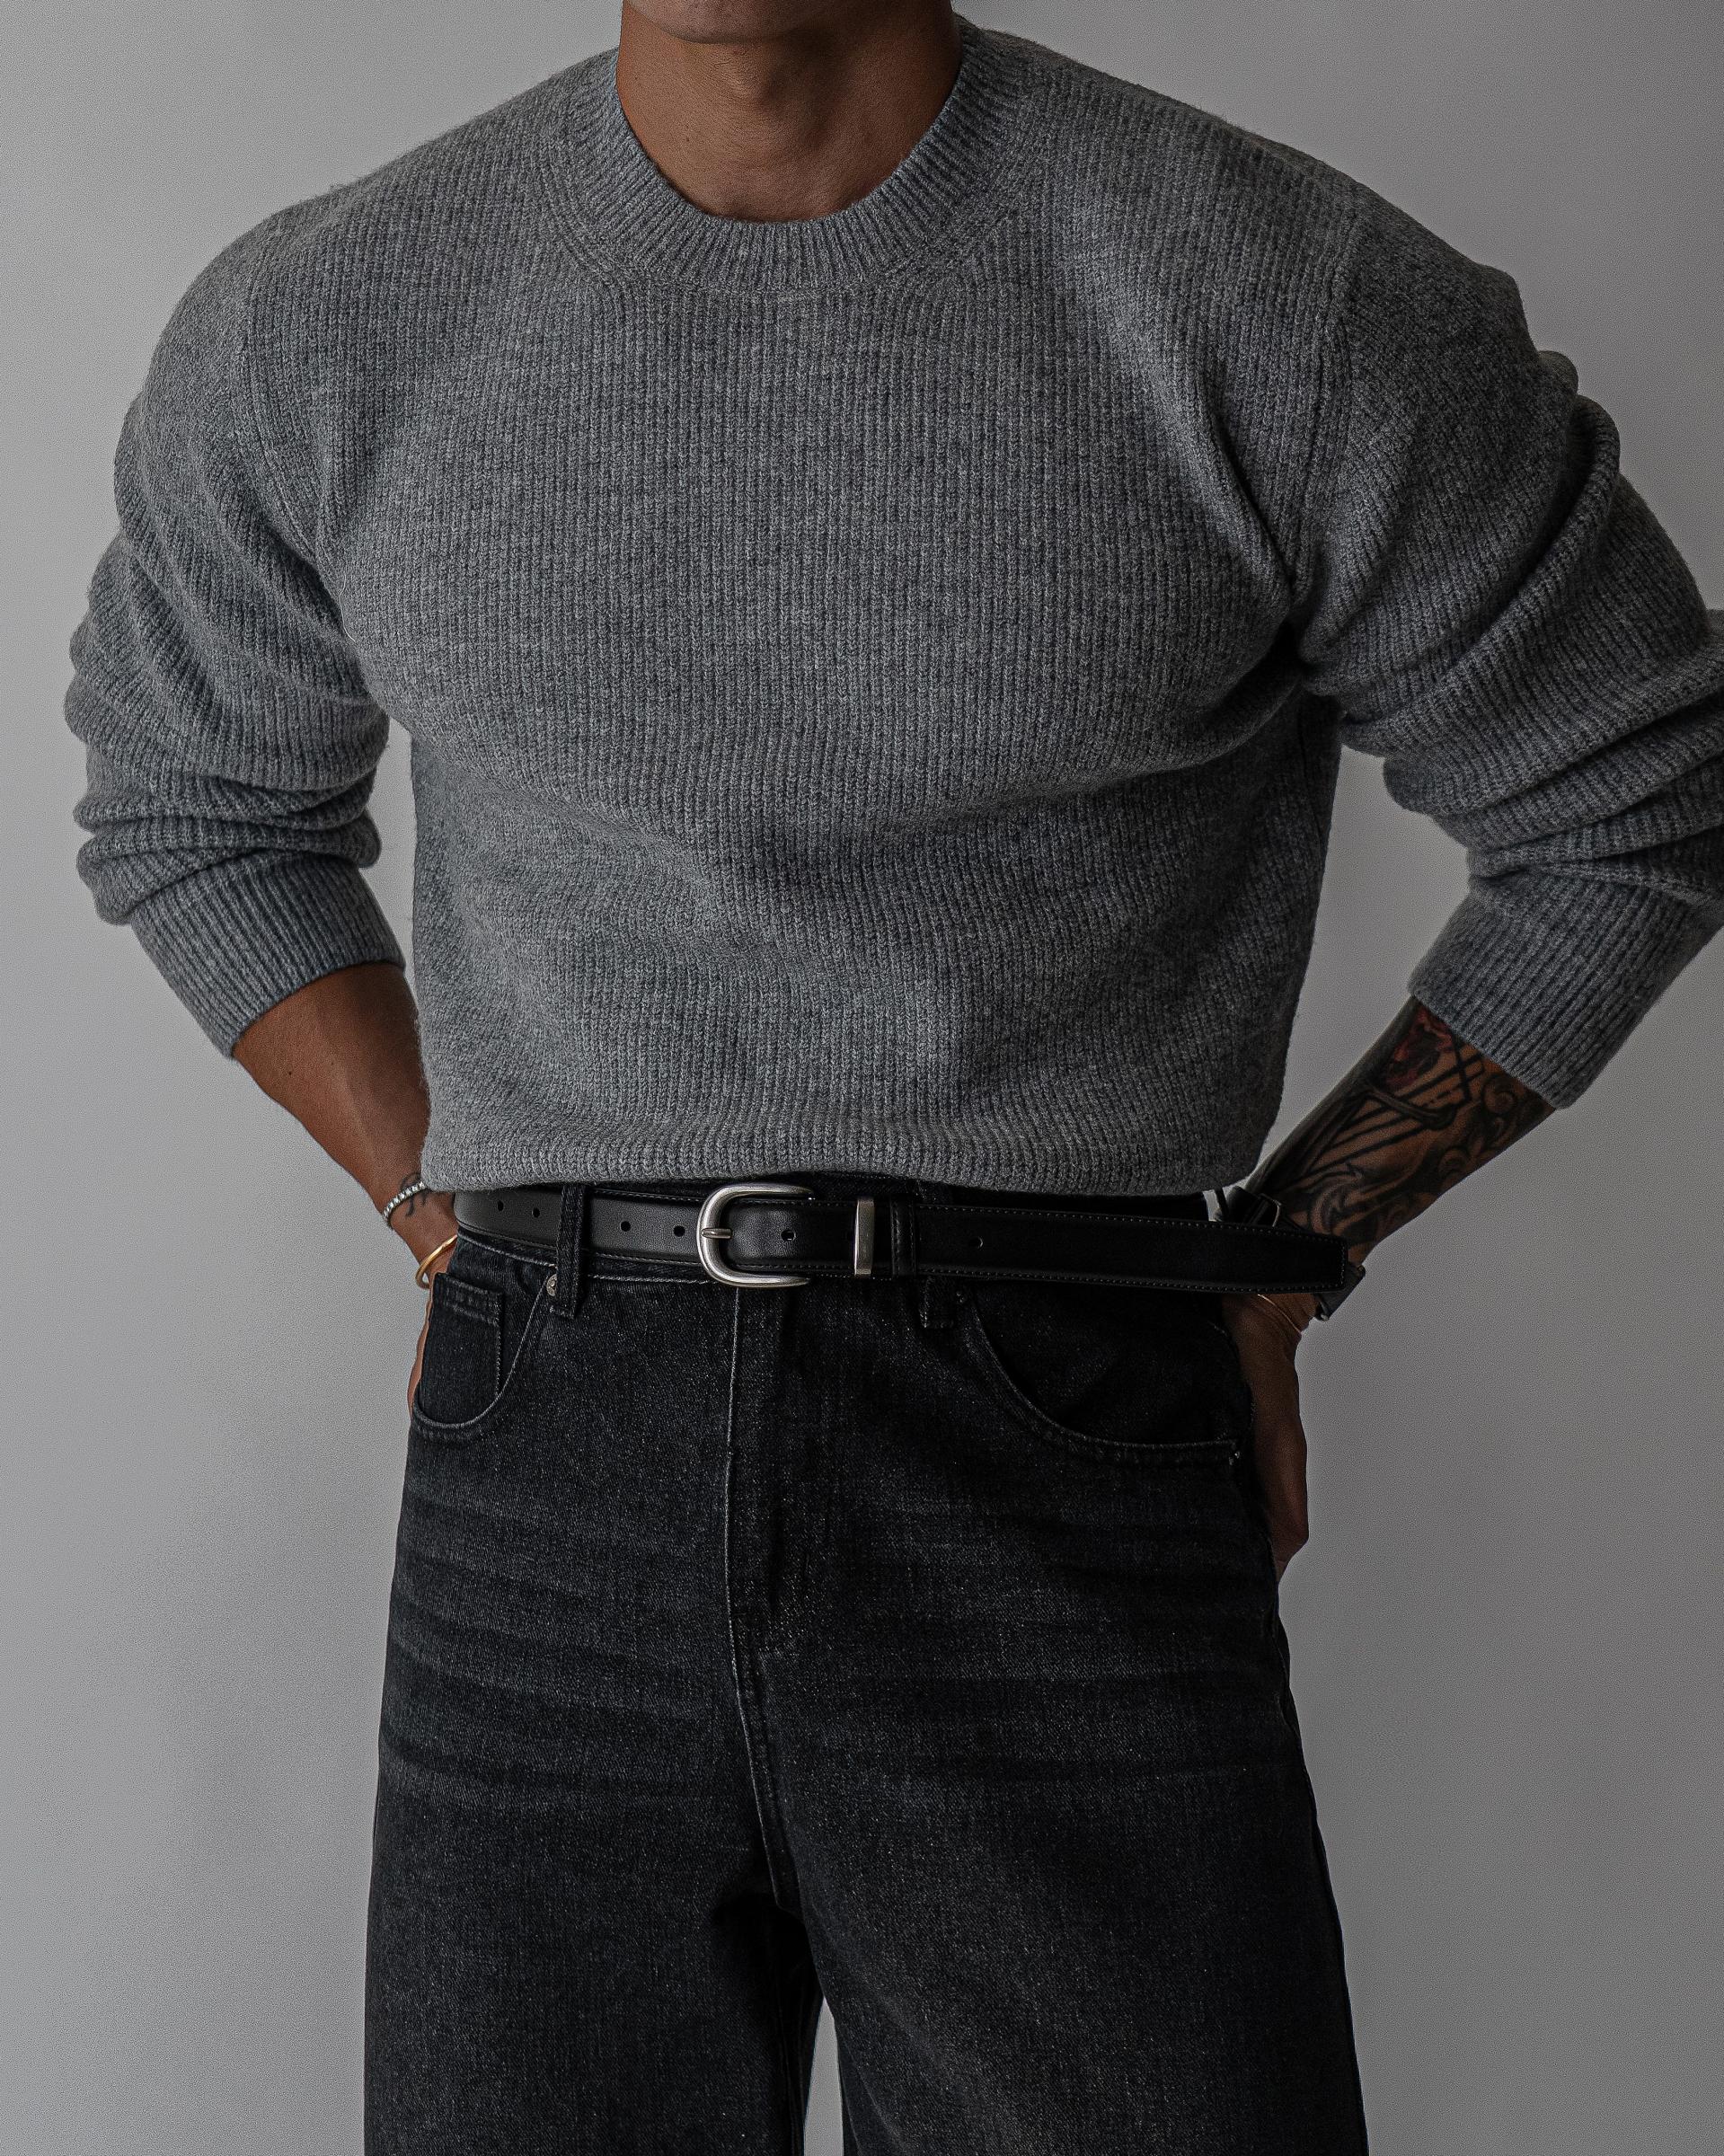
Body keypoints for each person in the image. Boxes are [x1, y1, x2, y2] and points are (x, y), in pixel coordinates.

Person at [62, 3, 1723, 2149]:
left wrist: (1292, 1251)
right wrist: (430, 1201)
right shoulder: (328, 316)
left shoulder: (1282, 299)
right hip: (547, 1439)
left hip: (1058, 1419)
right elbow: (193, 802)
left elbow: (1636, 794)